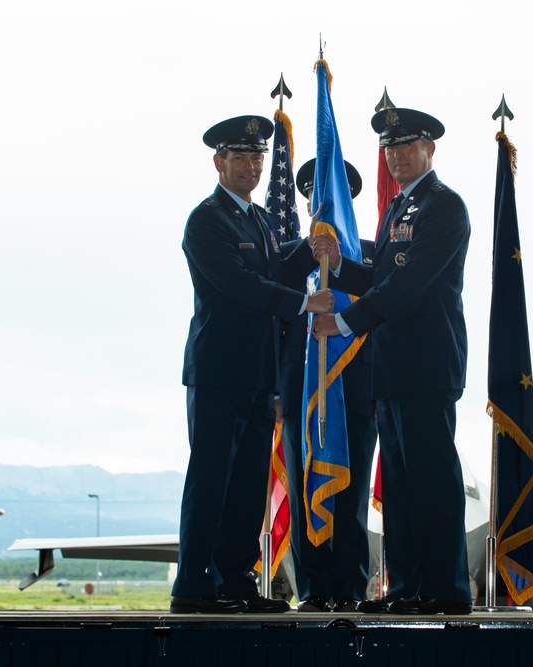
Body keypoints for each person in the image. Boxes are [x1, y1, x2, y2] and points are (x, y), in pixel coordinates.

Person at [311, 108, 472, 615]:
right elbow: (381, 276)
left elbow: (410, 282)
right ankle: (407, 588)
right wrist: (340, 266)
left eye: (407, 146)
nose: (397, 156)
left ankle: (445, 590)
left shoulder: (444, 207)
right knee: (400, 485)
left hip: (427, 364)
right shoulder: (397, 210)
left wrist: (344, 323)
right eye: (390, 148)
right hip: (393, 366)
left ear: (430, 149)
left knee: (432, 480)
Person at [173, 115, 332, 614]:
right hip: (218, 373)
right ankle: (194, 587)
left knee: (246, 487)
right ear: (218, 162)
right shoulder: (206, 220)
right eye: (239, 157)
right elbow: (238, 284)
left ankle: (234, 583)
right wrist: (304, 304)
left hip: (259, 375)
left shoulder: (259, 220)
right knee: (211, 480)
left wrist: (312, 251)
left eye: (256, 157)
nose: (250, 165)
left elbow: (277, 269)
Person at [279, 158, 378, 613]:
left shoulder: (370, 258)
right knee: (306, 492)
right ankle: (315, 588)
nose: (322, 211)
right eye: (314, 200)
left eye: (331, 202)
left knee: (352, 494)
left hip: (356, 394)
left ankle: (350, 588)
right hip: (301, 394)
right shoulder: (289, 259)